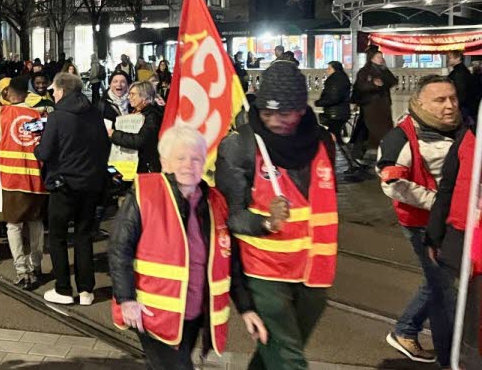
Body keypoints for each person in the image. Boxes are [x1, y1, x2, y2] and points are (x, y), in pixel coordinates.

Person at [110, 125, 264, 369]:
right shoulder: (145, 194)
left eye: (196, 158)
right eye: (180, 158)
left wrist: (246, 308)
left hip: (193, 314)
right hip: (152, 313)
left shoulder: (215, 202)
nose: (189, 165)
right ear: (165, 162)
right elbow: (119, 249)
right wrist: (126, 299)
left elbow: (228, 262)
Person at [215, 60, 337, 370]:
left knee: (275, 352)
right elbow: (230, 216)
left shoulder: (322, 142)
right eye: (266, 113)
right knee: (289, 360)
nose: (274, 121)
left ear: (301, 110)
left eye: (284, 113)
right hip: (264, 272)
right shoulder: (239, 145)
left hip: (313, 272)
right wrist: (266, 222)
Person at [377, 75, 461, 365]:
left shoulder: (460, 127)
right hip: (421, 222)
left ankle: (407, 330)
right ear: (420, 102)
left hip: (452, 220)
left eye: (452, 98)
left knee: (439, 280)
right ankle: (432, 344)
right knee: (442, 283)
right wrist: (438, 203)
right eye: (440, 100)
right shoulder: (399, 137)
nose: (449, 106)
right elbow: (392, 183)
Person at [36, 72, 110, 305]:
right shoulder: (95, 114)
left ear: (63, 90)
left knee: (57, 237)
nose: (53, 94)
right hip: (90, 184)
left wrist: (37, 146)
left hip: (64, 185)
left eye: (54, 90)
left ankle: (64, 289)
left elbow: (45, 153)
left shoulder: (58, 117)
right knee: (83, 234)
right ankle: (87, 290)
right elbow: (104, 147)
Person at [425, 102, 482, 368]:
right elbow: (448, 187)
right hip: (465, 239)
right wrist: (434, 235)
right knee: (466, 317)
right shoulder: (468, 138)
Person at [0, 76, 50, 289]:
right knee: (36, 223)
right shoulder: (38, 115)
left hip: (12, 179)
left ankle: (22, 271)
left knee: (14, 225)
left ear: (9, 93)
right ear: (27, 93)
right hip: (37, 178)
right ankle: (36, 265)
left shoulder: (2, 114)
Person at [109, 81, 164, 174]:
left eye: (133, 94)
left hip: (147, 168)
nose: (129, 97)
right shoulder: (137, 111)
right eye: (129, 94)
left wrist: (114, 134)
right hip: (135, 164)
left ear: (144, 97)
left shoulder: (152, 115)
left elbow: (141, 140)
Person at [352, 46, 397, 158]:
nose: (381, 59)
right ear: (371, 58)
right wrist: (373, 84)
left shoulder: (383, 70)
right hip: (371, 103)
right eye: (378, 57)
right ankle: (373, 148)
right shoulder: (365, 71)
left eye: (381, 57)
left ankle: (384, 148)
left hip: (384, 103)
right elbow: (360, 86)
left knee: (385, 126)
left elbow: (393, 81)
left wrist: (384, 71)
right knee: (374, 127)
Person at [314, 62, 351, 144]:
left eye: (329, 68)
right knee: (335, 135)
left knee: (332, 137)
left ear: (334, 69)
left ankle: (338, 154)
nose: (327, 70)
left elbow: (333, 97)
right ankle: (341, 153)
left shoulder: (335, 79)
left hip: (335, 113)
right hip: (340, 112)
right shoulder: (343, 78)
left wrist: (320, 102)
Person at [447, 50, 480, 124]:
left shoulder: (459, 73)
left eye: (450, 58)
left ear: (458, 58)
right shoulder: (461, 71)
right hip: (465, 107)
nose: (448, 60)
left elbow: (461, 93)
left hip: (462, 108)